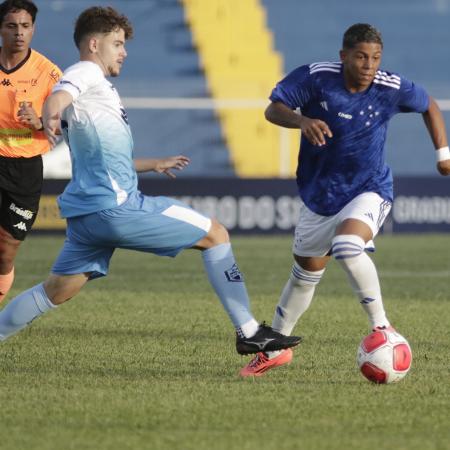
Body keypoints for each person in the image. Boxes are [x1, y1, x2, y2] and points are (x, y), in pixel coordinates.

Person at [0, 6, 301, 356]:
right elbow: (62, 92)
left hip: (87, 217)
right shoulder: (85, 73)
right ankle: (250, 331)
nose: (124, 52)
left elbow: (101, 157)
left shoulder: (94, 95)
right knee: (216, 234)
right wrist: (51, 110)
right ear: (94, 45)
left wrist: (152, 163)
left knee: (55, 291)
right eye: (118, 44)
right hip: (117, 209)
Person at [240, 23, 450, 376]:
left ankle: (383, 327)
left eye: (376, 58)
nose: (369, 65)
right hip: (319, 194)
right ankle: (276, 347)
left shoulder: (389, 86)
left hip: (369, 188)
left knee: (348, 246)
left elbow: (428, 103)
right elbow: (273, 109)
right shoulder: (316, 77)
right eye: (362, 57)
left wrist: (443, 153)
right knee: (305, 273)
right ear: (344, 57)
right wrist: (302, 120)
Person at [0, 0, 62, 303]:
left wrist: (40, 121)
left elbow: (64, 125)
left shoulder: (49, 74)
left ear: (33, 29)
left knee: (6, 249)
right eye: (12, 26)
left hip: (25, 168)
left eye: (25, 26)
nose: (19, 33)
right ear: (1, 29)